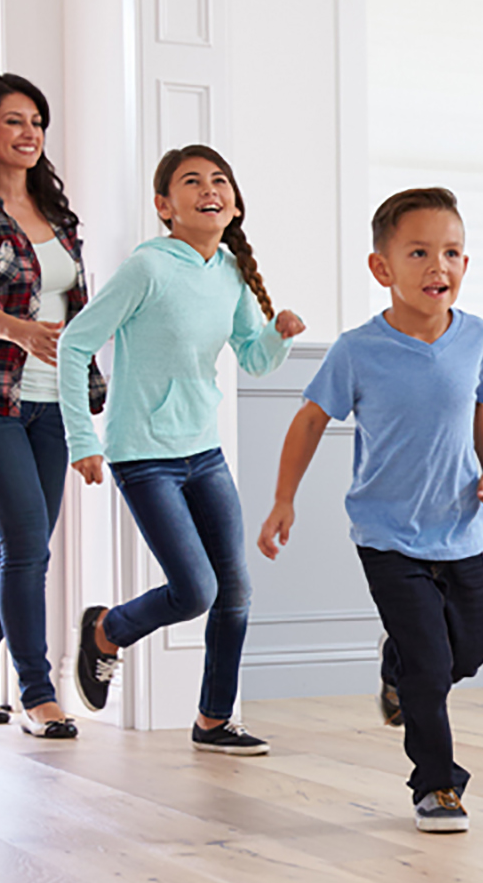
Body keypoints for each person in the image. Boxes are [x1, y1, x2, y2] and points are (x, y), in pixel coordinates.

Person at [257, 187, 483, 832]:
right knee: (431, 668)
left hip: (460, 529)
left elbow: (482, 405)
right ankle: (437, 785)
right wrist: (284, 499)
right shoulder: (357, 350)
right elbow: (310, 420)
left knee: (470, 651)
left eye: (451, 252)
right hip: (388, 536)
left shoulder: (476, 337)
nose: (438, 267)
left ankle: (396, 666)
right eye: (419, 252)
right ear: (382, 269)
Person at [59, 145, 305, 752]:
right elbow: (73, 344)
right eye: (191, 182)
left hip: (204, 450)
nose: (208, 189)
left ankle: (214, 720)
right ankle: (106, 630)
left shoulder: (229, 272)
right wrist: (81, 439)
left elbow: (253, 357)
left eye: (219, 179)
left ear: (234, 201)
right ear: (165, 205)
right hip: (143, 453)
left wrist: (279, 335)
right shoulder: (146, 269)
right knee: (196, 590)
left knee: (235, 592)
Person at [0, 74, 107, 739]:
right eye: (13, 121)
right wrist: (21, 330)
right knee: (28, 546)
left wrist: (87, 394)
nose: (29, 132)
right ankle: (39, 693)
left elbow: (80, 311)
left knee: (24, 545)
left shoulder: (58, 217)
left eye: (36, 120)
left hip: (52, 405)